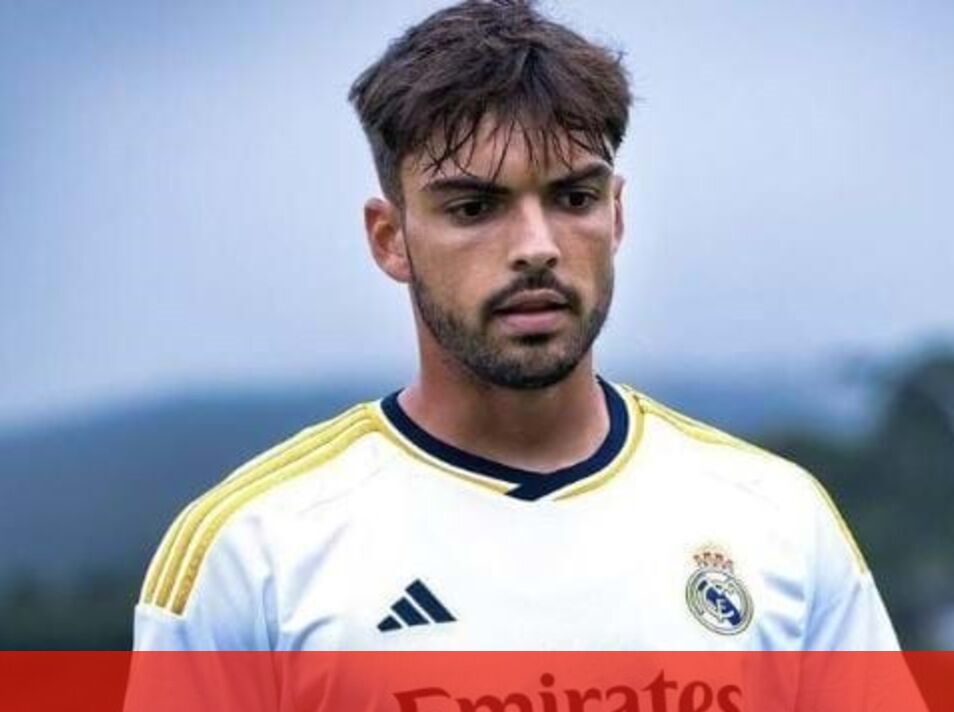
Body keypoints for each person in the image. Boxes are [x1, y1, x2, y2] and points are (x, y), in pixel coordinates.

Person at [132, 0, 899, 655]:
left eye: (573, 198)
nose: (536, 246)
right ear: (390, 238)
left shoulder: (779, 520)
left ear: (617, 215)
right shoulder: (251, 551)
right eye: (475, 207)